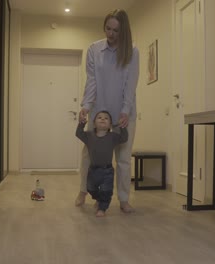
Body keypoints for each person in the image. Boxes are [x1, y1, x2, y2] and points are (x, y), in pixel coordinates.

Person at [75, 9, 139, 213]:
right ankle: (84, 191)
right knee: (89, 155)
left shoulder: (132, 51)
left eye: (116, 30)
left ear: (124, 31)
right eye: (108, 28)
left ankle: (123, 199)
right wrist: (85, 106)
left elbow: (131, 84)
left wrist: (125, 111)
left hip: (123, 112)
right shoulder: (94, 49)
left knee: (123, 157)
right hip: (99, 112)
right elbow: (92, 80)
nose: (110, 34)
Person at [76, 111, 128, 217]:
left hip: (107, 171)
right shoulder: (89, 136)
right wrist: (81, 123)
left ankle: (102, 208)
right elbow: (78, 133)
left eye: (106, 118)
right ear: (94, 123)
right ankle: (99, 200)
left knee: (106, 191)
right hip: (93, 170)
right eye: (99, 117)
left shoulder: (112, 136)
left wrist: (122, 126)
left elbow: (124, 138)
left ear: (110, 125)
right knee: (90, 188)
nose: (103, 119)